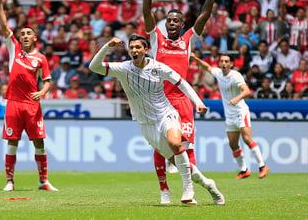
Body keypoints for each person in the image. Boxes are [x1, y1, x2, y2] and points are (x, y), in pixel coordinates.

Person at [89, 35, 225, 205]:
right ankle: (209, 184)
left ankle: (187, 187)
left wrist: (198, 102)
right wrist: (107, 47)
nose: (134, 50)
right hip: (147, 124)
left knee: (176, 143)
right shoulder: (123, 68)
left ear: (146, 50)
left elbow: (181, 83)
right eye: (131, 47)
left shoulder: (159, 68)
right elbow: (93, 67)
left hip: (166, 114)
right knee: (182, 165)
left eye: (138, 47)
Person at [143, 0, 222, 204]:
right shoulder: (156, 40)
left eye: (176, 21)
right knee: (160, 148)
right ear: (165, 24)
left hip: (182, 102)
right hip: (159, 100)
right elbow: (147, 12)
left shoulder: (188, 40)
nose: (172, 23)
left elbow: (205, 13)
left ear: (182, 24)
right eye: (169, 21)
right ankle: (164, 190)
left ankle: (192, 190)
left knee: (186, 148)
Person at [0, 0, 58, 192]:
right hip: (13, 103)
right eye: (23, 34)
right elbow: (3, 25)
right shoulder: (14, 49)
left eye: (29, 33)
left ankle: (43, 181)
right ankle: (10, 181)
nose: (25, 36)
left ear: (35, 38)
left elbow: (48, 81)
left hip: (32, 104)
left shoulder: (41, 58)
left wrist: (42, 92)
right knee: (12, 142)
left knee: (39, 142)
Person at [190, 53, 269, 179]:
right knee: (233, 144)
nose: (224, 64)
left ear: (231, 64)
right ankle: (244, 170)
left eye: (227, 61)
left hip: (240, 111)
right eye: (222, 61)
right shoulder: (218, 73)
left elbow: (247, 91)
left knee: (247, 139)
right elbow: (207, 67)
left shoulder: (235, 76)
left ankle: (262, 166)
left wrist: (236, 99)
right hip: (230, 115)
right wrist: (195, 59)